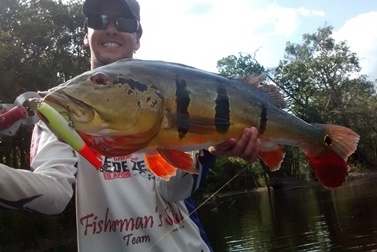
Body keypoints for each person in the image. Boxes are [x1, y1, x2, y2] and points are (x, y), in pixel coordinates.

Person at [0, 0, 261, 251]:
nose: (111, 28)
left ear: (137, 37)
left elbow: (173, 190)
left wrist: (209, 150)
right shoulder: (59, 111)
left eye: (123, 21)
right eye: (98, 19)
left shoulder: (164, 95)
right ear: (85, 34)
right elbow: (53, 194)